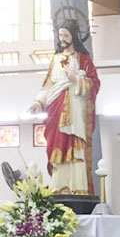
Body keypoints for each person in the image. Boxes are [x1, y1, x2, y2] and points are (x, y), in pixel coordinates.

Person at [29, 19, 100, 195]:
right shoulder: (56, 59)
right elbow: (48, 86)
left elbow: (95, 83)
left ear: (73, 36)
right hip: (57, 109)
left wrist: (75, 79)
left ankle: (78, 188)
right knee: (58, 144)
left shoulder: (83, 59)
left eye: (66, 35)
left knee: (76, 146)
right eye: (60, 35)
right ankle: (59, 187)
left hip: (76, 113)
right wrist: (38, 102)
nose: (62, 39)